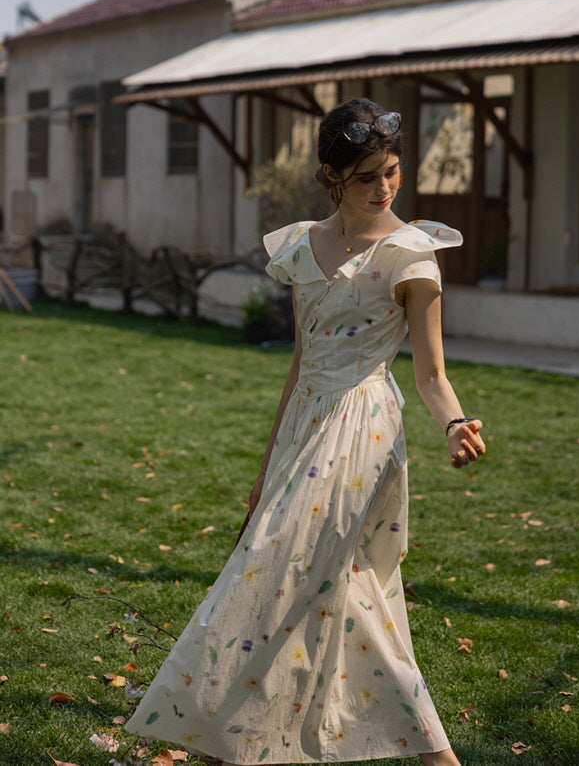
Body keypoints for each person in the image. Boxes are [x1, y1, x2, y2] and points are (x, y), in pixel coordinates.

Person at [125, 98, 485, 766]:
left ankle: (219, 739)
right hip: (305, 425)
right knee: (337, 591)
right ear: (332, 176)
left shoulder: (412, 257)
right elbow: (300, 364)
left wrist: (456, 424)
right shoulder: (301, 248)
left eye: (393, 172)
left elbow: (433, 376)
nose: (385, 187)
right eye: (369, 175)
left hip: (363, 432)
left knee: (277, 578)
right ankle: (246, 742)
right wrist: (267, 471)